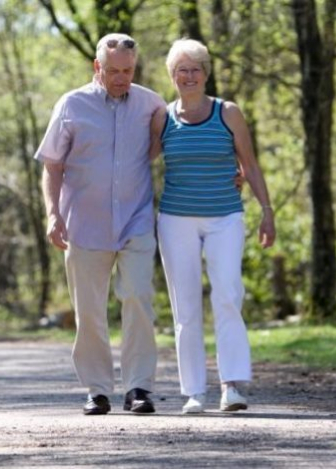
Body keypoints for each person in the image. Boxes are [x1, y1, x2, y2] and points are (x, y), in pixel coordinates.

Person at [34, 33, 166, 415]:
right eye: (113, 71)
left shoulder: (150, 103)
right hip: (84, 226)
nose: (122, 78)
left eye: (128, 70)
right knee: (89, 310)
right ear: (97, 67)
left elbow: (179, 140)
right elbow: (52, 165)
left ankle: (139, 387)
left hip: (135, 221)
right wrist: (53, 213)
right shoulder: (72, 105)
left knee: (139, 297)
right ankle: (97, 389)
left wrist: (233, 171)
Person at [150, 39, 276, 414]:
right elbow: (139, 162)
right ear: (172, 76)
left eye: (195, 69)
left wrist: (267, 211)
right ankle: (193, 392)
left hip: (225, 216)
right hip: (175, 220)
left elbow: (250, 165)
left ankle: (232, 386)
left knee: (227, 295)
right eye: (181, 70)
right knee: (185, 307)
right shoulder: (163, 117)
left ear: (206, 74)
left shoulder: (228, 113)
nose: (188, 76)